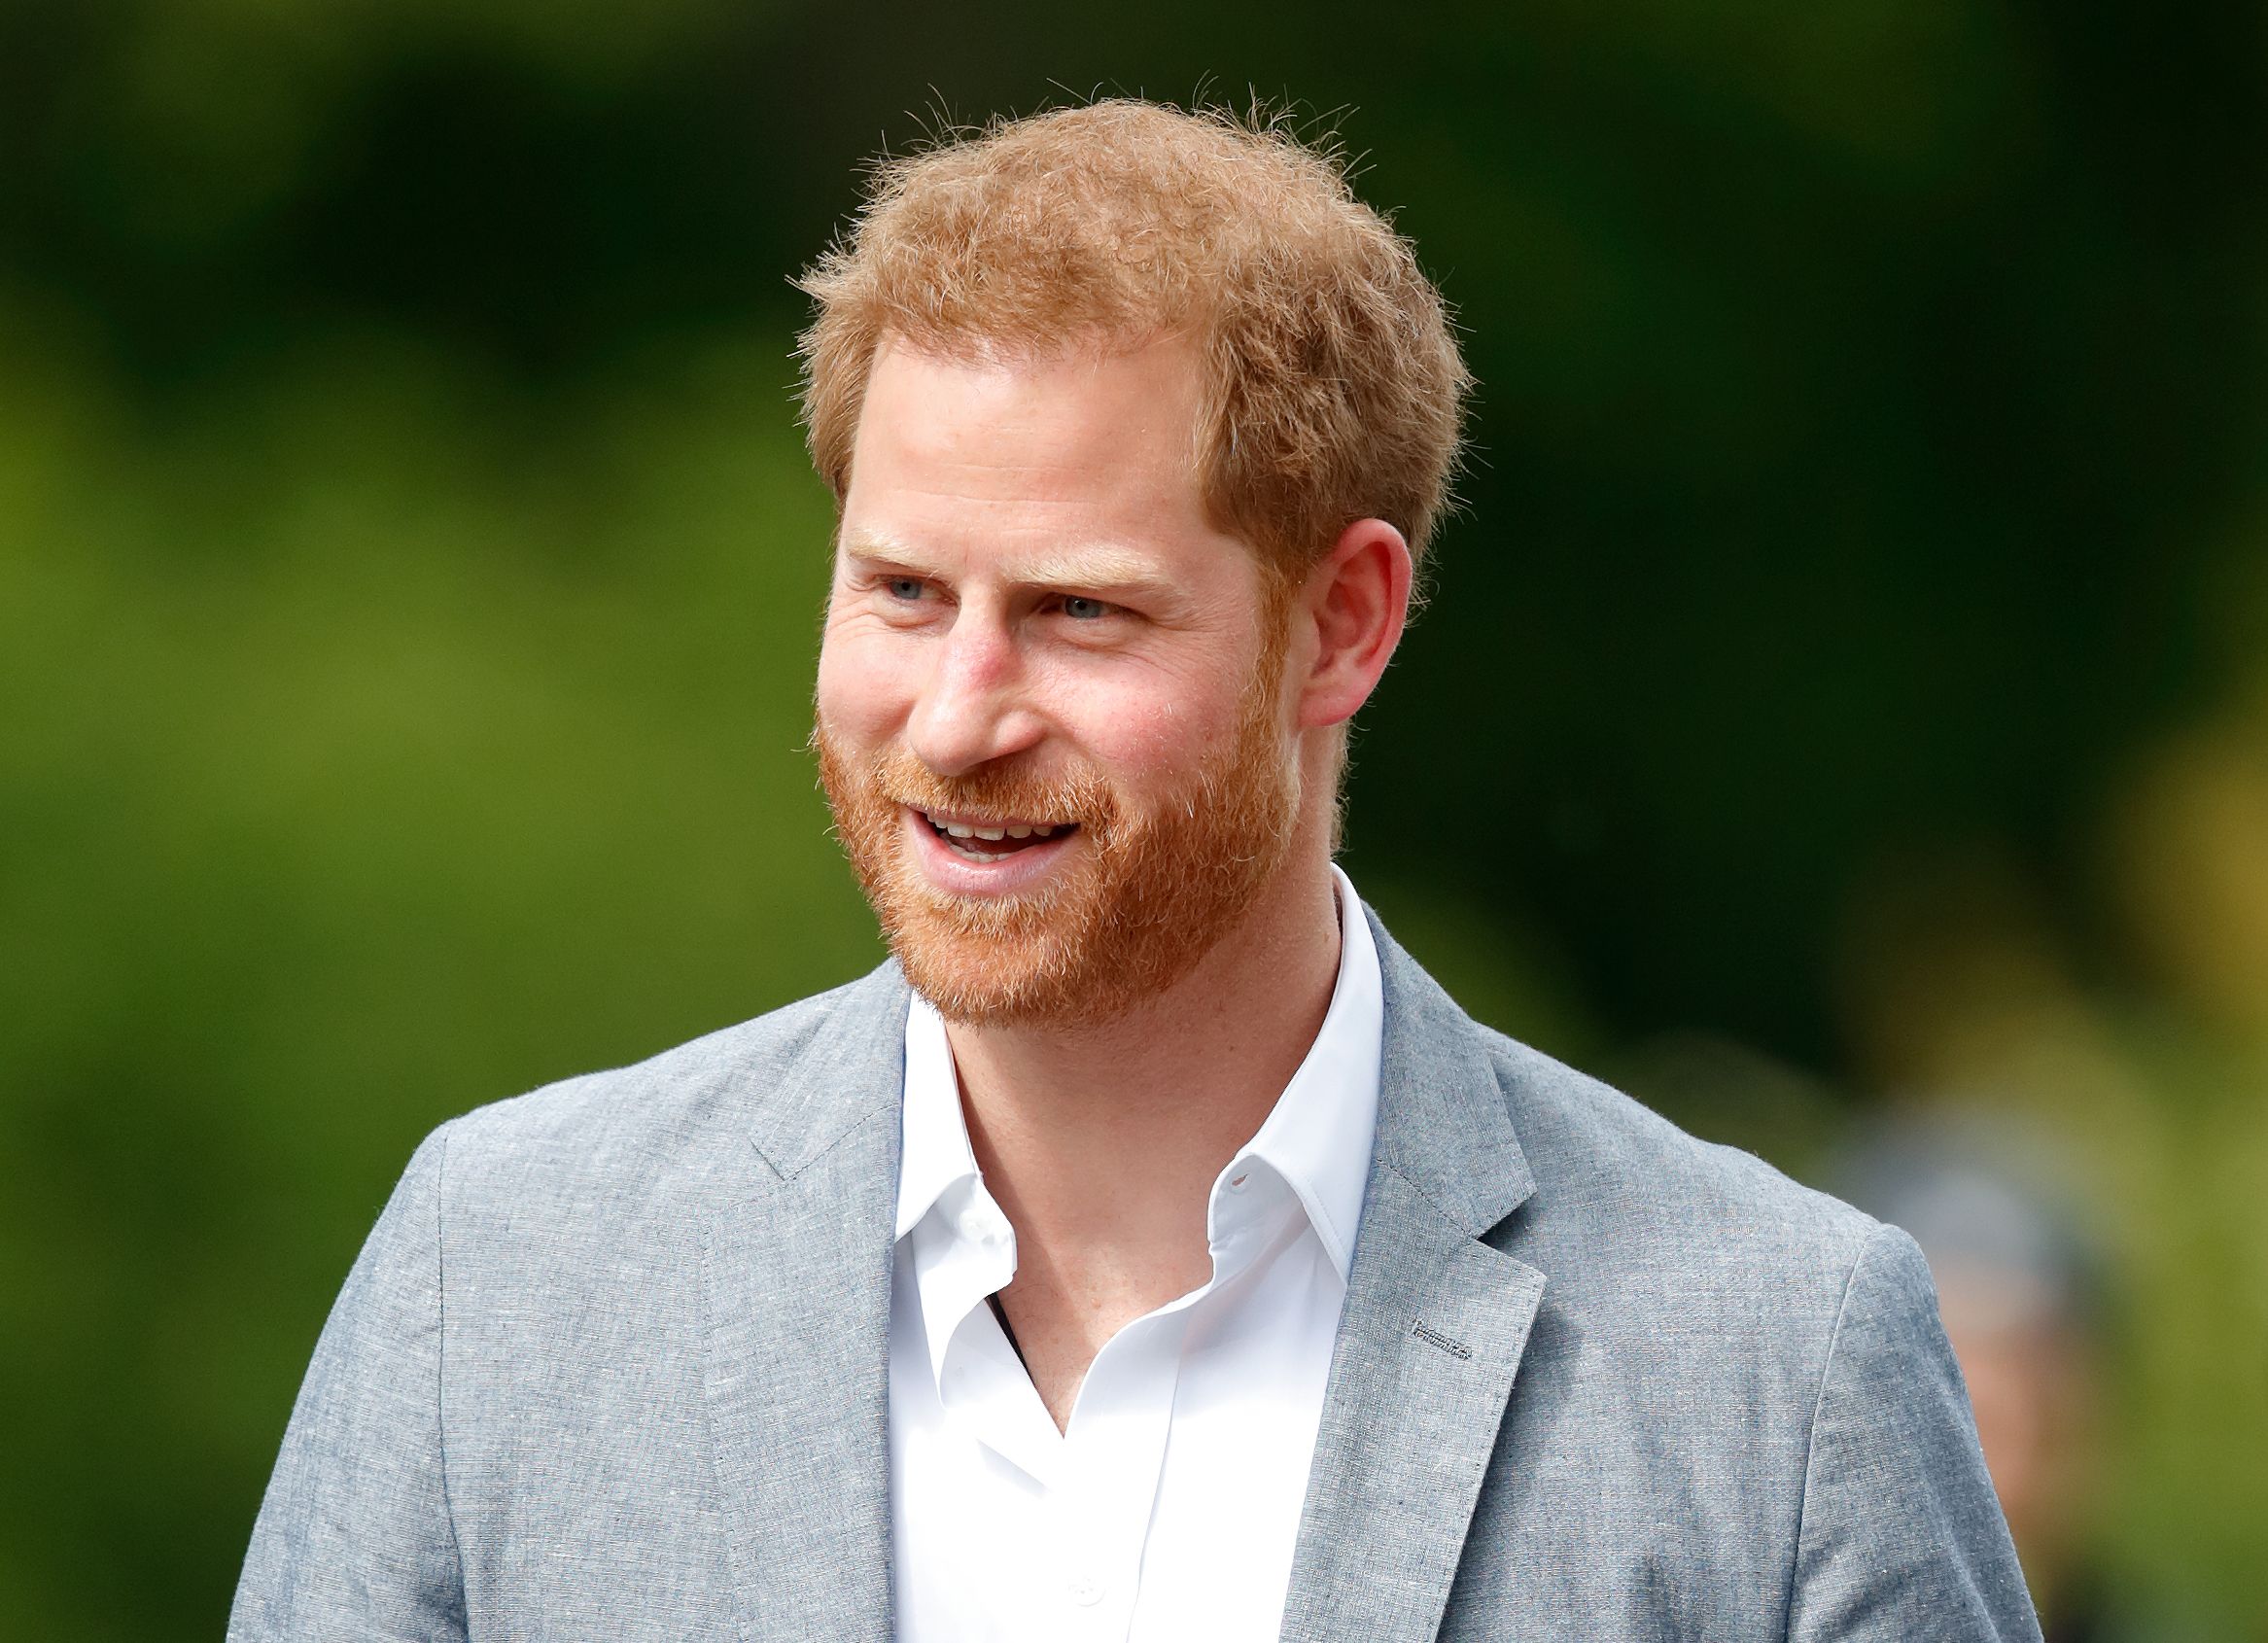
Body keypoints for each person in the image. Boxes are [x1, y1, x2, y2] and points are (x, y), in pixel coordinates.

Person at [229, 100, 2042, 1641]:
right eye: (902, 592)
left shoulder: (1778, 1373)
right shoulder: (507, 1278)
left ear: (1341, 625)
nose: (954, 719)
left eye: (1078, 613)